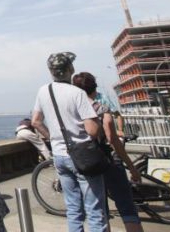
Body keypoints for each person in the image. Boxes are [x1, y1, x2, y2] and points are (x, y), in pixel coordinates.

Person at [31, 52, 107, 232]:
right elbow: (92, 130)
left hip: (59, 155)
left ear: (51, 71)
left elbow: (36, 121)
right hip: (83, 155)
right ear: (70, 69)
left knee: (73, 210)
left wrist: (53, 138)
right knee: (95, 211)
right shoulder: (77, 93)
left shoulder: (44, 91)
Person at [73, 72, 144, 232]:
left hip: (88, 163)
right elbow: (112, 140)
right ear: (94, 88)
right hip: (109, 160)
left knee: (100, 213)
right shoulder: (101, 108)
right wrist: (131, 167)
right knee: (127, 207)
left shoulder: (74, 111)